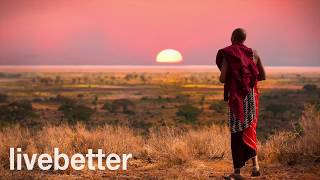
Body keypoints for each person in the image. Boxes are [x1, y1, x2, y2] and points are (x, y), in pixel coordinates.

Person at [216, 28, 266, 179]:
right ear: (244, 39)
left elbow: (223, 78)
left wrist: (234, 76)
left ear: (232, 37)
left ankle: (237, 172)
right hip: (249, 97)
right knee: (249, 129)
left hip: (236, 98)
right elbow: (262, 75)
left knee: (237, 132)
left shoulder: (228, 53)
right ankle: (255, 166)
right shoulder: (254, 53)